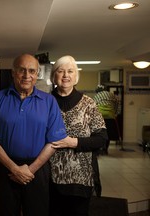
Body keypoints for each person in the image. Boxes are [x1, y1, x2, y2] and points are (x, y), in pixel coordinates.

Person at [0, 54, 75, 216]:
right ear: (13, 72)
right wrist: (14, 169)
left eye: (32, 71)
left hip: (37, 170)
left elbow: (54, 142)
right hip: (6, 169)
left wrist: (30, 170)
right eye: (22, 70)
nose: (27, 76)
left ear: (37, 75)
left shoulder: (49, 102)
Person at [49, 55, 108, 216]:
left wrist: (72, 142)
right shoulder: (44, 102)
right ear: (53, 76)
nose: (65, 75)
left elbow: (102, 139)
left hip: (81, 180)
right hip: (49, 179)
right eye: (60, 71)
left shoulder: (89, 104)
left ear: (76, 77)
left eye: (70, 71)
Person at [93, 85, 120, 154]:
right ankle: (105, 149)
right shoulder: (111, 94)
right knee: (109, 134)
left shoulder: (97, 96)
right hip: (110, 116)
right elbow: (117, 102)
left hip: (100, 116)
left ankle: (100, 148)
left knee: (100, 133)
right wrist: (115, 113)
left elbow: (94, 106)